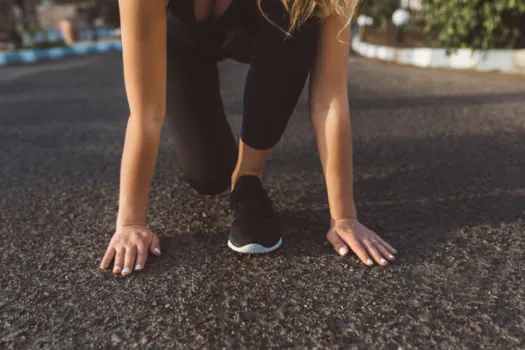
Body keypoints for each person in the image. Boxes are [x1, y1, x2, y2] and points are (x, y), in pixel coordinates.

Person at [99, 0, 398, 276]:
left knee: (300, 17)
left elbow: (330, 98)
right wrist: (130, 223)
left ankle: (247, 177)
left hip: (262, 26)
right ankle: (227, 171)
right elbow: (146, 114)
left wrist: (344, 217)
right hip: (181, 42)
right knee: (209, 174)